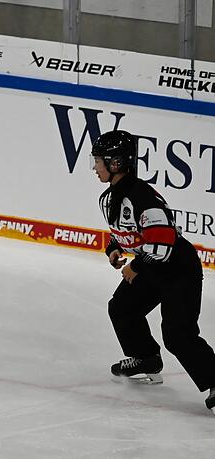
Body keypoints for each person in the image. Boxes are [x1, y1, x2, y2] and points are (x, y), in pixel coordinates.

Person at [91, 129, 215, 413]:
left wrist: (135, 265)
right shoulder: (113, 196)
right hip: (154, 264)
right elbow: (127, 232)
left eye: (98, 161)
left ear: (117, 164)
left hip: (178, 269)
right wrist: (113, 248)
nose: (95, 168)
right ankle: (146, 358)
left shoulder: (141, 196)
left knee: (178, 334)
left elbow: (164, 243)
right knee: (122, 308)